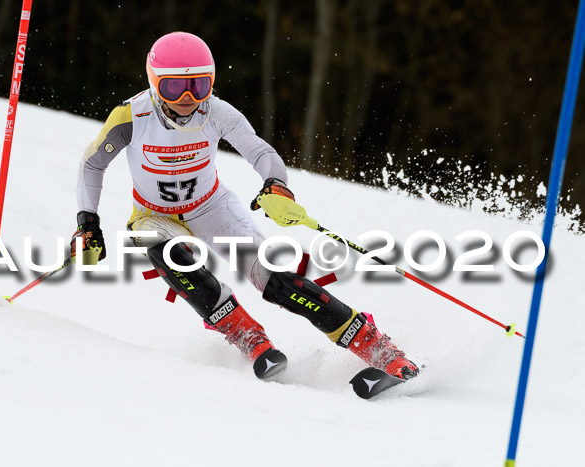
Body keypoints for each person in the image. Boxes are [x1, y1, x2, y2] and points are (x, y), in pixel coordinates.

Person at [72, 31, 419, 381]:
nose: (188, 98)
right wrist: (88, 223)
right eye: (174, 88)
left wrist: (276, 185)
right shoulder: (131, 117)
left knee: (277, 282)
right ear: (153, 82)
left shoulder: (217, 112)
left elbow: (261, 152)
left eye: (200, 85)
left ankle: (378, 347)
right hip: (154, 215)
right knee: (172, 259)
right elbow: (92, 164)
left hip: (211, 208)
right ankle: (249, 338)